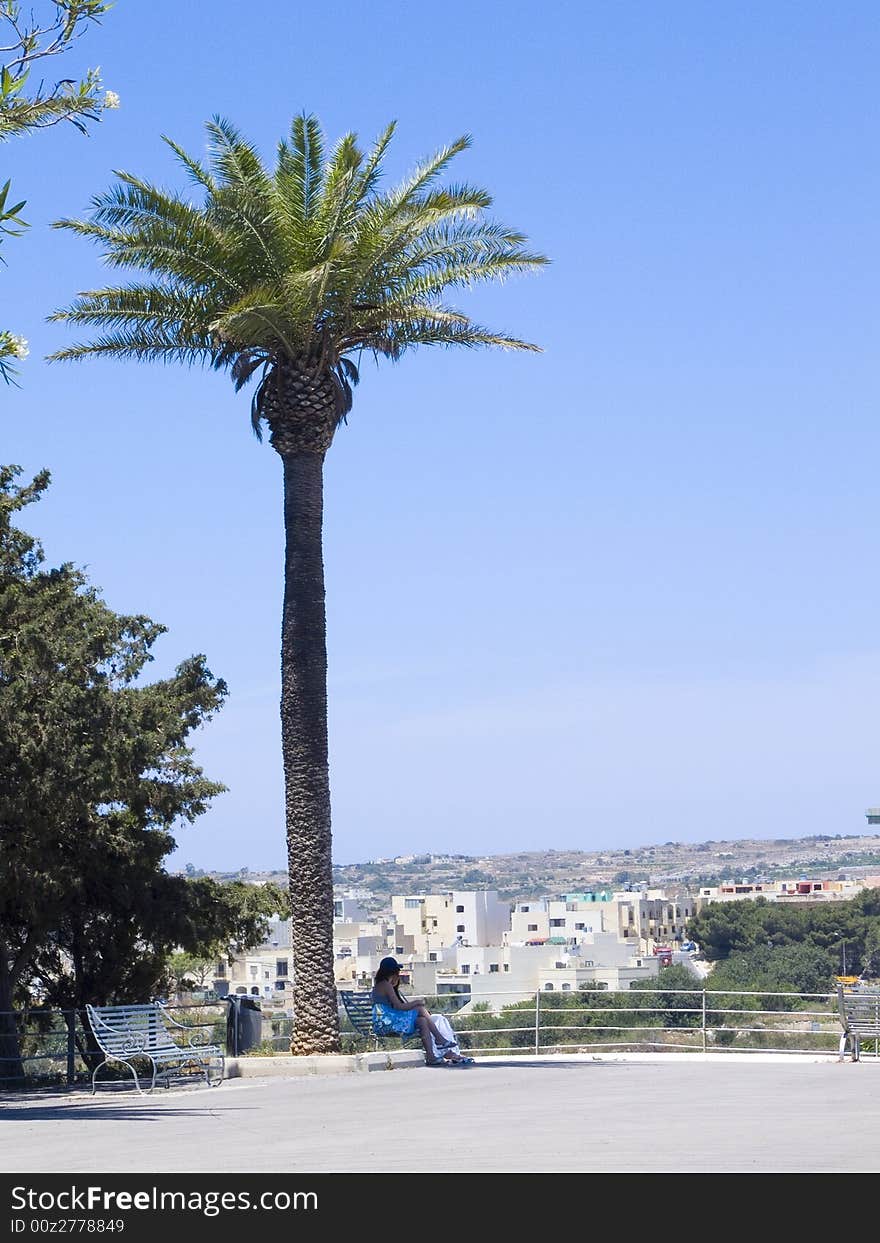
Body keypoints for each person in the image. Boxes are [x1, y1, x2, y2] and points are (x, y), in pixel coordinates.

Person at [370, 957, 474, 1067]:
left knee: (422, 1021)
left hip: (387, 1021)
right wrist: (416, 1003)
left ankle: (431, 1056)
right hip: (386, 1024)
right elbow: (399, 1006)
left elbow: (395, 1008)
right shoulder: (385, 985)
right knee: (419, 1008)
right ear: (392, 972)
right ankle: (440, 1039)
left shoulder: (382, 984)